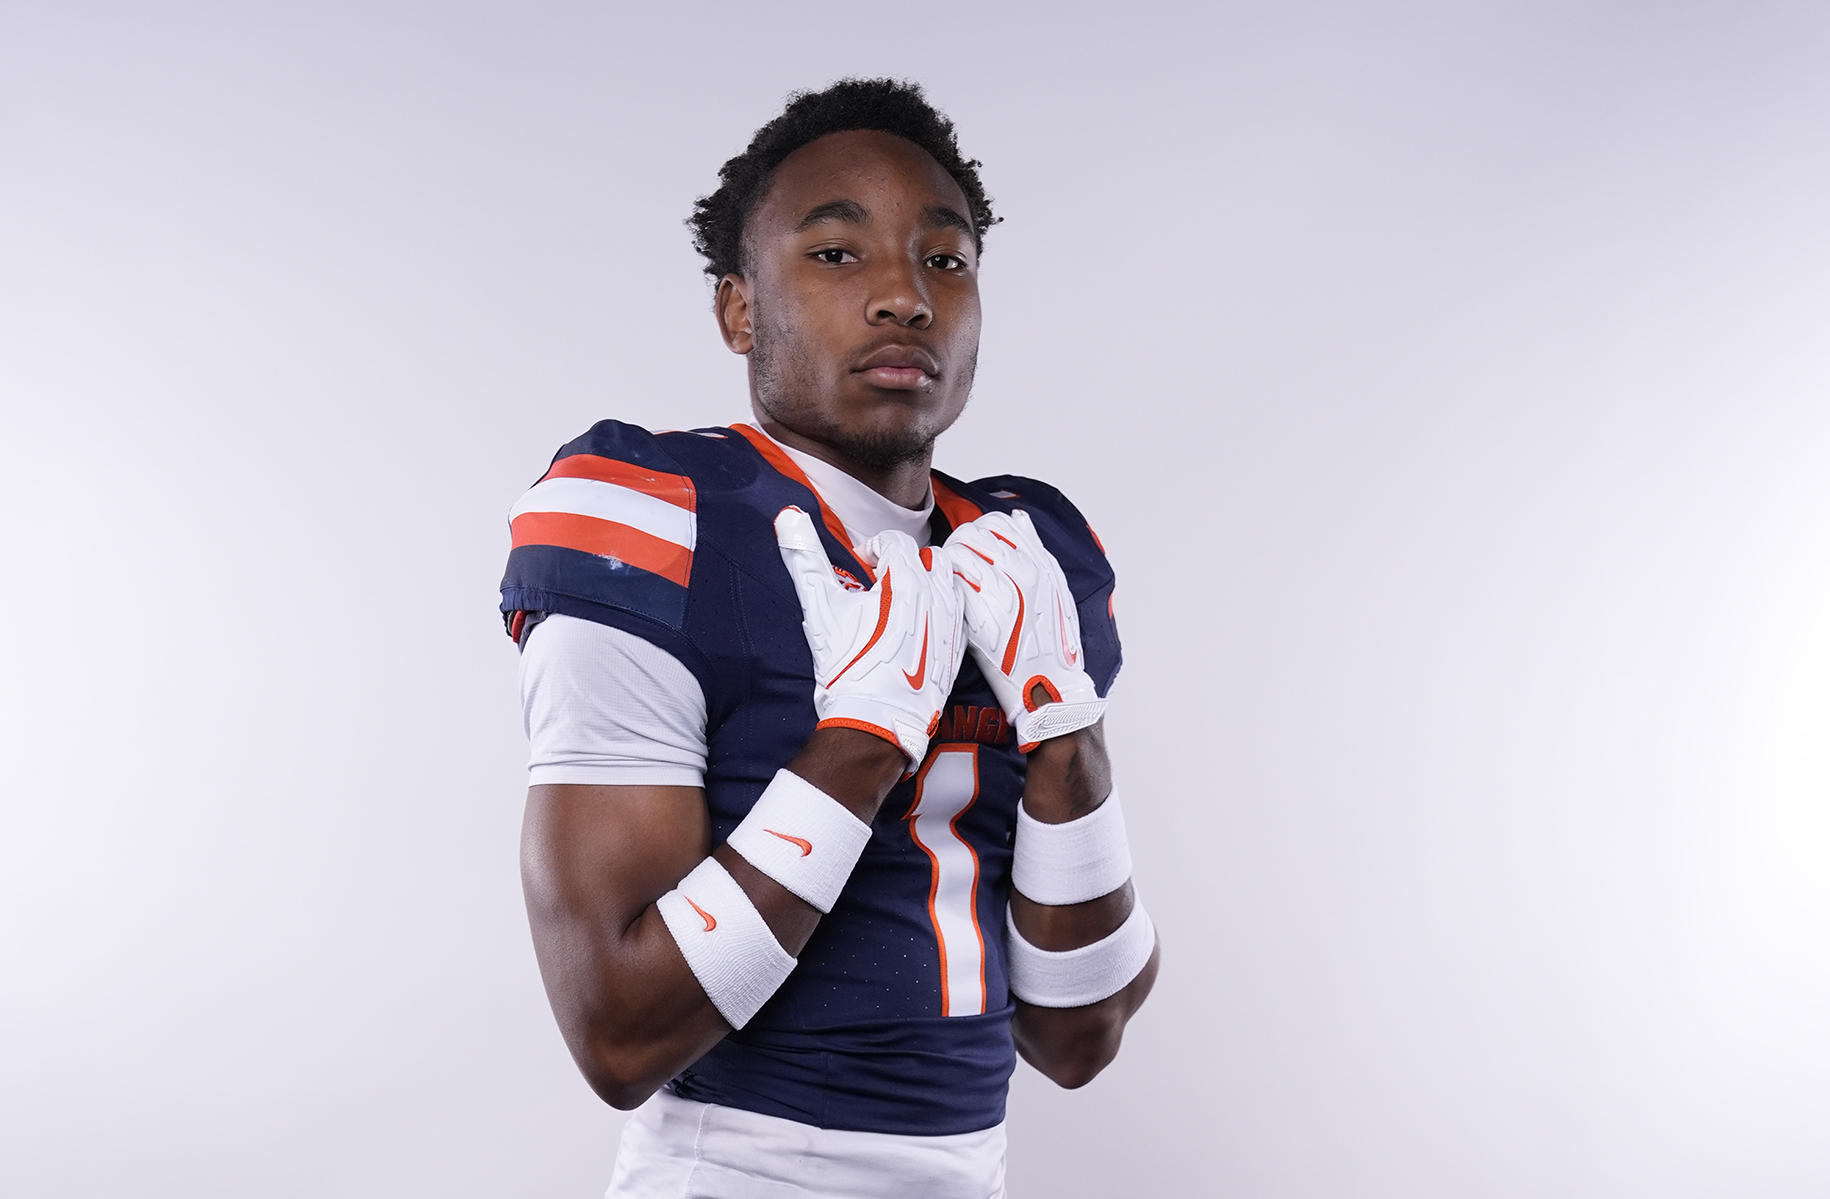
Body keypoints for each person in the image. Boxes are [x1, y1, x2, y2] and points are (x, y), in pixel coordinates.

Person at [500, 78, 1159, 1198]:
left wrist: (1068, 734)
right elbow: (617, 1031)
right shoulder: (665, 519)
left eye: (945, 259)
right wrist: (862, 736)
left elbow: (1078, 1036)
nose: (905, 296)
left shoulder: (1026, 553)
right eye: (838, 254)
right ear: (740, 310)